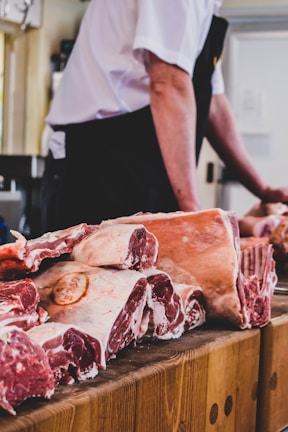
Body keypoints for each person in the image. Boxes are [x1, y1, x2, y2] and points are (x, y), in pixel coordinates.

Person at [41, 0, 288, 233]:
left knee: (154, 271)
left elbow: (213, 102)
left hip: (143, 163)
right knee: (88, 274)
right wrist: (195, 215)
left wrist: (263, 190)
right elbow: (167, 82)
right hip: (100, 163)